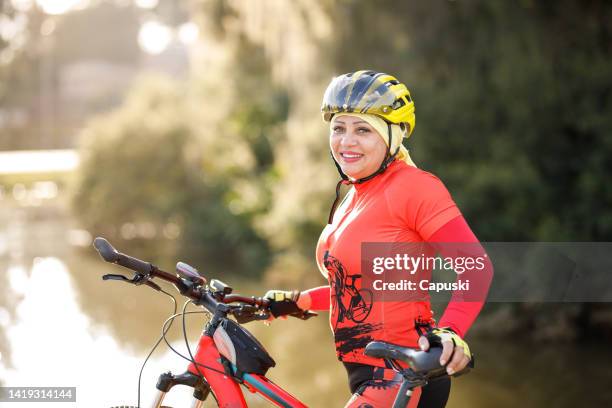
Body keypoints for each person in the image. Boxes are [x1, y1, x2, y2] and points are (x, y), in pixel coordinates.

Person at [264, 70, 493, 408]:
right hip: (367, 373)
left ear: (392, 136)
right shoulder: (354, 195)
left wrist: (451, 332)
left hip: (403, 375)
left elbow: (476, 268)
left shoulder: (414, 187)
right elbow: (361, 291)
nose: (346, 141)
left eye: (363, 130)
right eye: (339, 128)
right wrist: (298, 301)